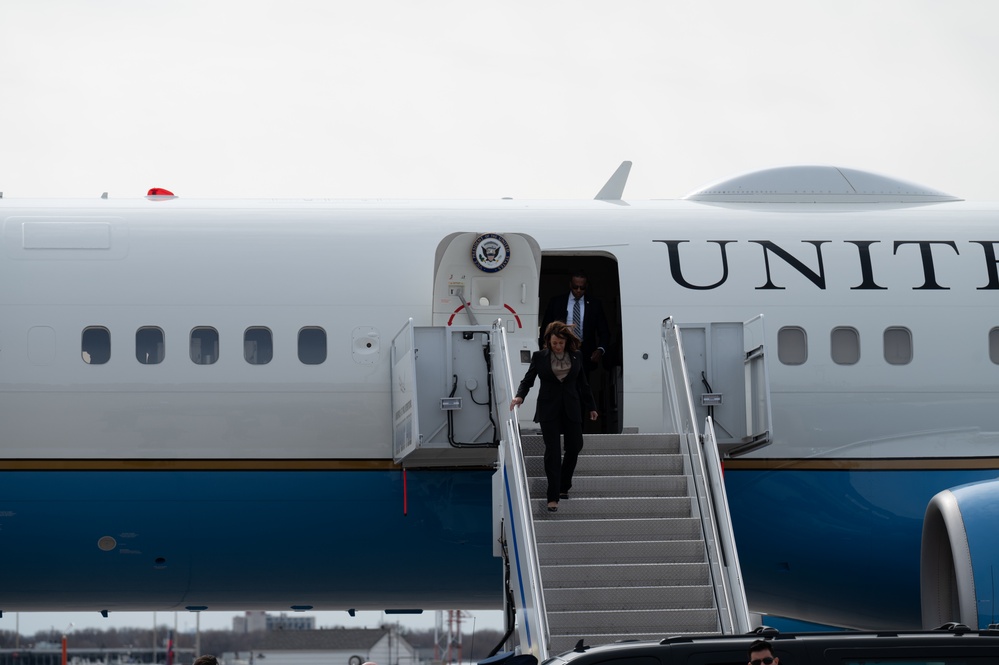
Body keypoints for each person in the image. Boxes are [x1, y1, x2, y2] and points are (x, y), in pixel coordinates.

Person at [510, 321, 598, 512]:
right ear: (548, 342)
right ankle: (553, 496)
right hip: (549, 408)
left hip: (571, 407)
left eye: (561, 343)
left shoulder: (576, 356)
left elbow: (583, 383)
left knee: (575, 446)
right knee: (553, 450)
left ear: (566, 341)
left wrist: (591, 406)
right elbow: (528, 379)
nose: (558, 346)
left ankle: (564, 486)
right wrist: (519, 396)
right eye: (555, 343)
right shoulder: (540, 357)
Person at [540, 271, 611, 374]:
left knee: (582, 386)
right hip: (560, 351)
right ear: (570, 285)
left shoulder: (595, 304)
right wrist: (545, 350)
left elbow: (604, 331)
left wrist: (600, 349)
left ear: (586, 286)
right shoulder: (556, 302)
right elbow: (545, 329)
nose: (578, 290)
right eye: (575, 287)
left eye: (582, 288)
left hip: (585, 355)